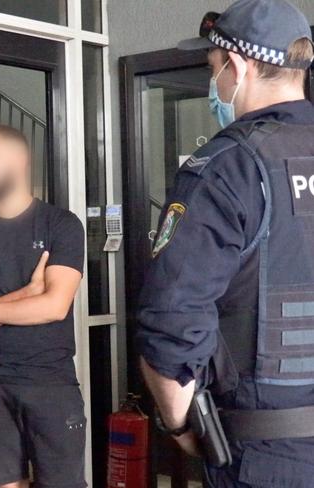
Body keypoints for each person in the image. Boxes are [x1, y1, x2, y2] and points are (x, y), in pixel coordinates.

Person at [136, 0, 314, 486]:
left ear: (237, 67)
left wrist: (179, 423)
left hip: (267, 455)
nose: (214, 83)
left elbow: (171, 322)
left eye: (213, 69)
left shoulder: (227, 167)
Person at [0, 125, 86, 488]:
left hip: (50, 382)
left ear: (21, 160)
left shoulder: (62, 225)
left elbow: (54, 306)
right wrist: (27, 293)